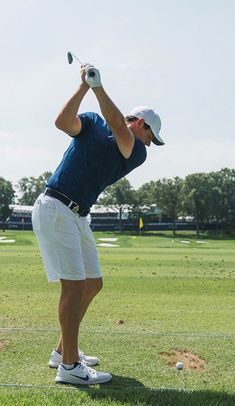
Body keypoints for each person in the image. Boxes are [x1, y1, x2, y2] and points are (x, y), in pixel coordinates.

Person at [32, 63, 165, 386]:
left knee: (92, 283)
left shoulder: (134, 152)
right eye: (151, 136)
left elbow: (119, 126)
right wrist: (83, 87)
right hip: (56, 207)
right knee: (74, 286)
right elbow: (62, 122)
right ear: (142, 124)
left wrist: (98, 87)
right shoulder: (91, 122)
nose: (150, 143)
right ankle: (69, 367)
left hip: (78, 215)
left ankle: (63, 351)